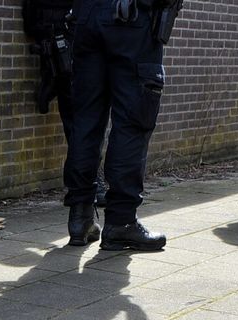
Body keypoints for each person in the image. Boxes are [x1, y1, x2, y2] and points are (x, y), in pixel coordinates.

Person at [64, 0, 180, 251]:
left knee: (86, 119)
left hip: (87, 17)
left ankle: (80, 218)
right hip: (131, 18)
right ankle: (120, 222)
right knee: (133, 121)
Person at [23, 0, 108, 206]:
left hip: (68, 46)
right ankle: (86, 186)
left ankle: (85, 187)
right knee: (81, 123)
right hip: (66, 47)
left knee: (79, 122)